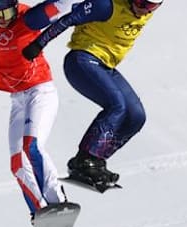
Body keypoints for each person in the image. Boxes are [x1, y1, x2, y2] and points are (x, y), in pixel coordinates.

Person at [22, 0, 164, 188]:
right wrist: (39, 44)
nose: (142, 9)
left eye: (150, 7)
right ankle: (84, 161)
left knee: (136, 117)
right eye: (139, 2)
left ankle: (95, 162)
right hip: (81, 61)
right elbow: (68, 19)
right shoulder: (105, 5)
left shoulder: (144, 11)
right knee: (117, 106)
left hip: (106, 66)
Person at [0, 0, 70, 227]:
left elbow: (62, 5)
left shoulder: (28, 19)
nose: (0, 18)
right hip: (17, 98)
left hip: (40, 91)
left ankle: (56, 200)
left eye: (6, 12)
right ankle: (40, 215)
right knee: (17, 164)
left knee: (32, 146)